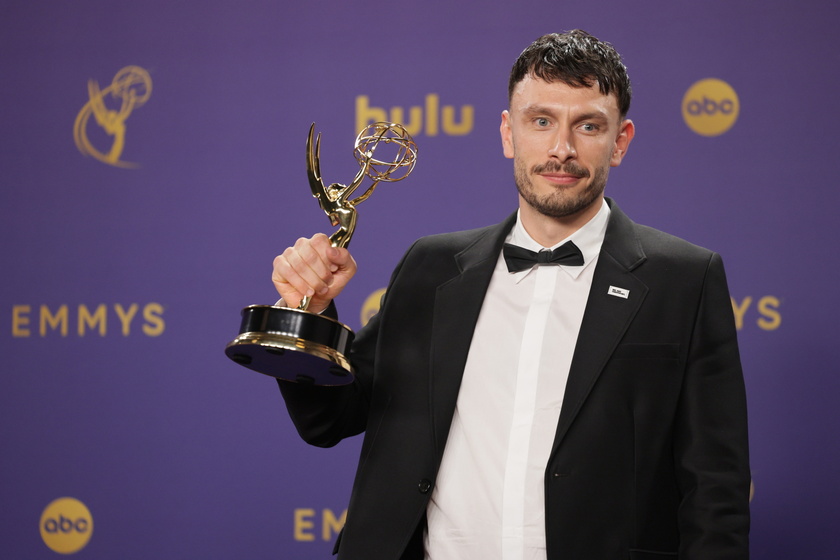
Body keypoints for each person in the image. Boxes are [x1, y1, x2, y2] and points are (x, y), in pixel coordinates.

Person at [271, 30, 750, 560]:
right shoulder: (429, 268)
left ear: (620, 140)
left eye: (587, 125)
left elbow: (716, 490)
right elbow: (331, 418)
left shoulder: (684, 278)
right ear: (508, 132)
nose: (561, 149)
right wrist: (310, 314)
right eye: (540, 121)